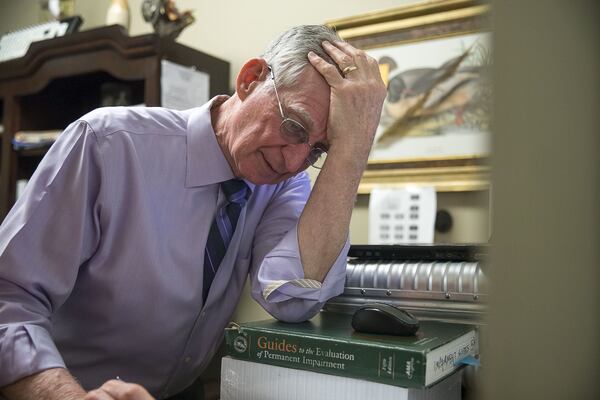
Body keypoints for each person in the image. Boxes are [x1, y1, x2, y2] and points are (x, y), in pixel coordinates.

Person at [0, 25, 386, 400]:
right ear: (251, 79)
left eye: (318, 151)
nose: (294, 160)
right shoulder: (108, 145)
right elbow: (9, 300)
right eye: (294, 127)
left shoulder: (284, 182)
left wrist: (353, 147)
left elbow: (291, 297)